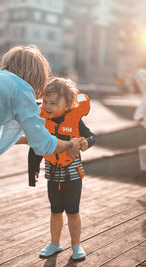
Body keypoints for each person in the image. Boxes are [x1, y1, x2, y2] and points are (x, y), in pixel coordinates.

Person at [0, 45, 82, 267]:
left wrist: (29, 138)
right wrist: (69, 144)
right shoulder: (21, 88)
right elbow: (45, 144)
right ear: (38, 77)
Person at [28, 77, 95, 261]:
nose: (47, 106)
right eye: (45, 102)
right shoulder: (42, 121)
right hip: (52, 173)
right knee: (55, 210)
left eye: (53, 103)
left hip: (72, 175)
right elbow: (35, 146)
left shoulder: (75, 121)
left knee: (73, 211)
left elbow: (92, 136)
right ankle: (55, 243)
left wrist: (84, 142)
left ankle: (76, 245)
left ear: (68, 105)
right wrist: (32, 172)